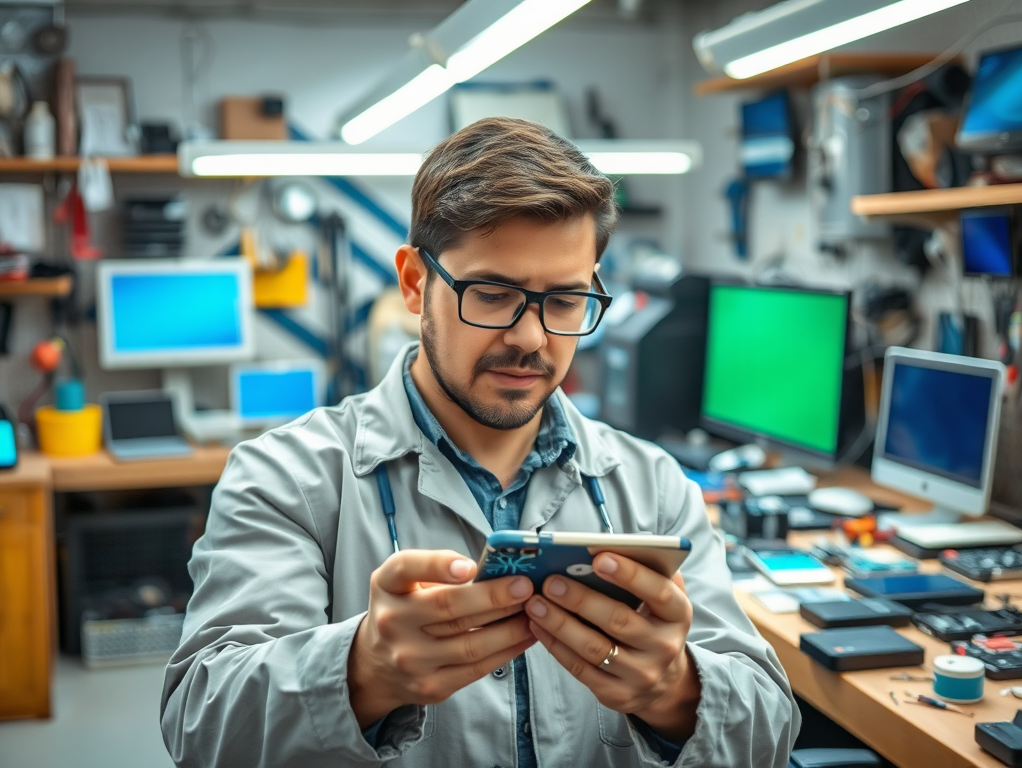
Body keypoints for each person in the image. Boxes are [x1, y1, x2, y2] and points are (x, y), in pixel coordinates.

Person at [161, 116, 799, 768]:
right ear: (415, 283)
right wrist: (362, 672)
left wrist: (674, 692)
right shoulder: (286, 478)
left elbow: (770, 727)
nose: (530, 337)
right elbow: (203, 728)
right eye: (493, 294)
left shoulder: (653, 486)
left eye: (565, 301)